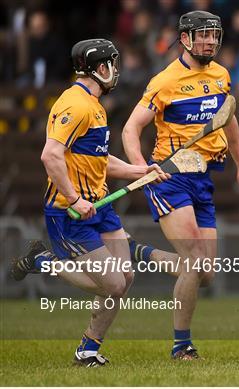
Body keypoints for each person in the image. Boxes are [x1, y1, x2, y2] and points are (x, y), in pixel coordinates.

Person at [10, 39, 169, 366]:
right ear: (100, 68)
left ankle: (88, 349)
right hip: (70, 212)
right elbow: (50, 155)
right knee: (111, 283)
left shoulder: (94, 106)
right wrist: (74, 198)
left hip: (100, 206)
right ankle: (43, 260)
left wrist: (141, 170)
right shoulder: (76, 105)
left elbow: (100, 160)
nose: (116, 70)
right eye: (112, 63)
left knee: (125, 278)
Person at [122, 11, 239, 360]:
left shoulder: (221, 75)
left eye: (215, 34)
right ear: (185, 39)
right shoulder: (165, 81)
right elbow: (130, 129)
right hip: (169, 177)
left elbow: (228, 120)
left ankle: (139, 252)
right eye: (204, 35)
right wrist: (140, 167)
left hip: (204, 176)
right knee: (194, 260)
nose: (211, 41)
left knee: (206, 273)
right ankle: (182, 345)